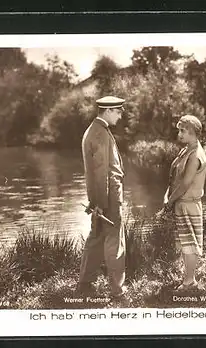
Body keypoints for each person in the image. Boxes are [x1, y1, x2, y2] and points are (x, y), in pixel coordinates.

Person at [77, 95, 129, 302]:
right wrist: (100, 204)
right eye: (118, 112)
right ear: (107, 111)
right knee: (115, 241)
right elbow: (100, 173)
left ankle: (85, 283)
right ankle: (117, 291)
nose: (120, 116)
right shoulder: (99, 133)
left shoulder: (96, 130)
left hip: (101, 195)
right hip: (108, 195)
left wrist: (96, 202)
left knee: (96, 237)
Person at [158, 115, 206, 291]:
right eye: (179, 130)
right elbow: (175, 179)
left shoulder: (195, 155)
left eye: (182, 131)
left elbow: (186, 184)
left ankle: (189, 282)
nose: (179, 134)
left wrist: (169, 202)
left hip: (189, 204)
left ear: (193, 132)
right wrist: (167, 196)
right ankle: (188, 277)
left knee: (190, 245)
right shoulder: (186, 150)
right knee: (184, 243)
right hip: (181, 202)